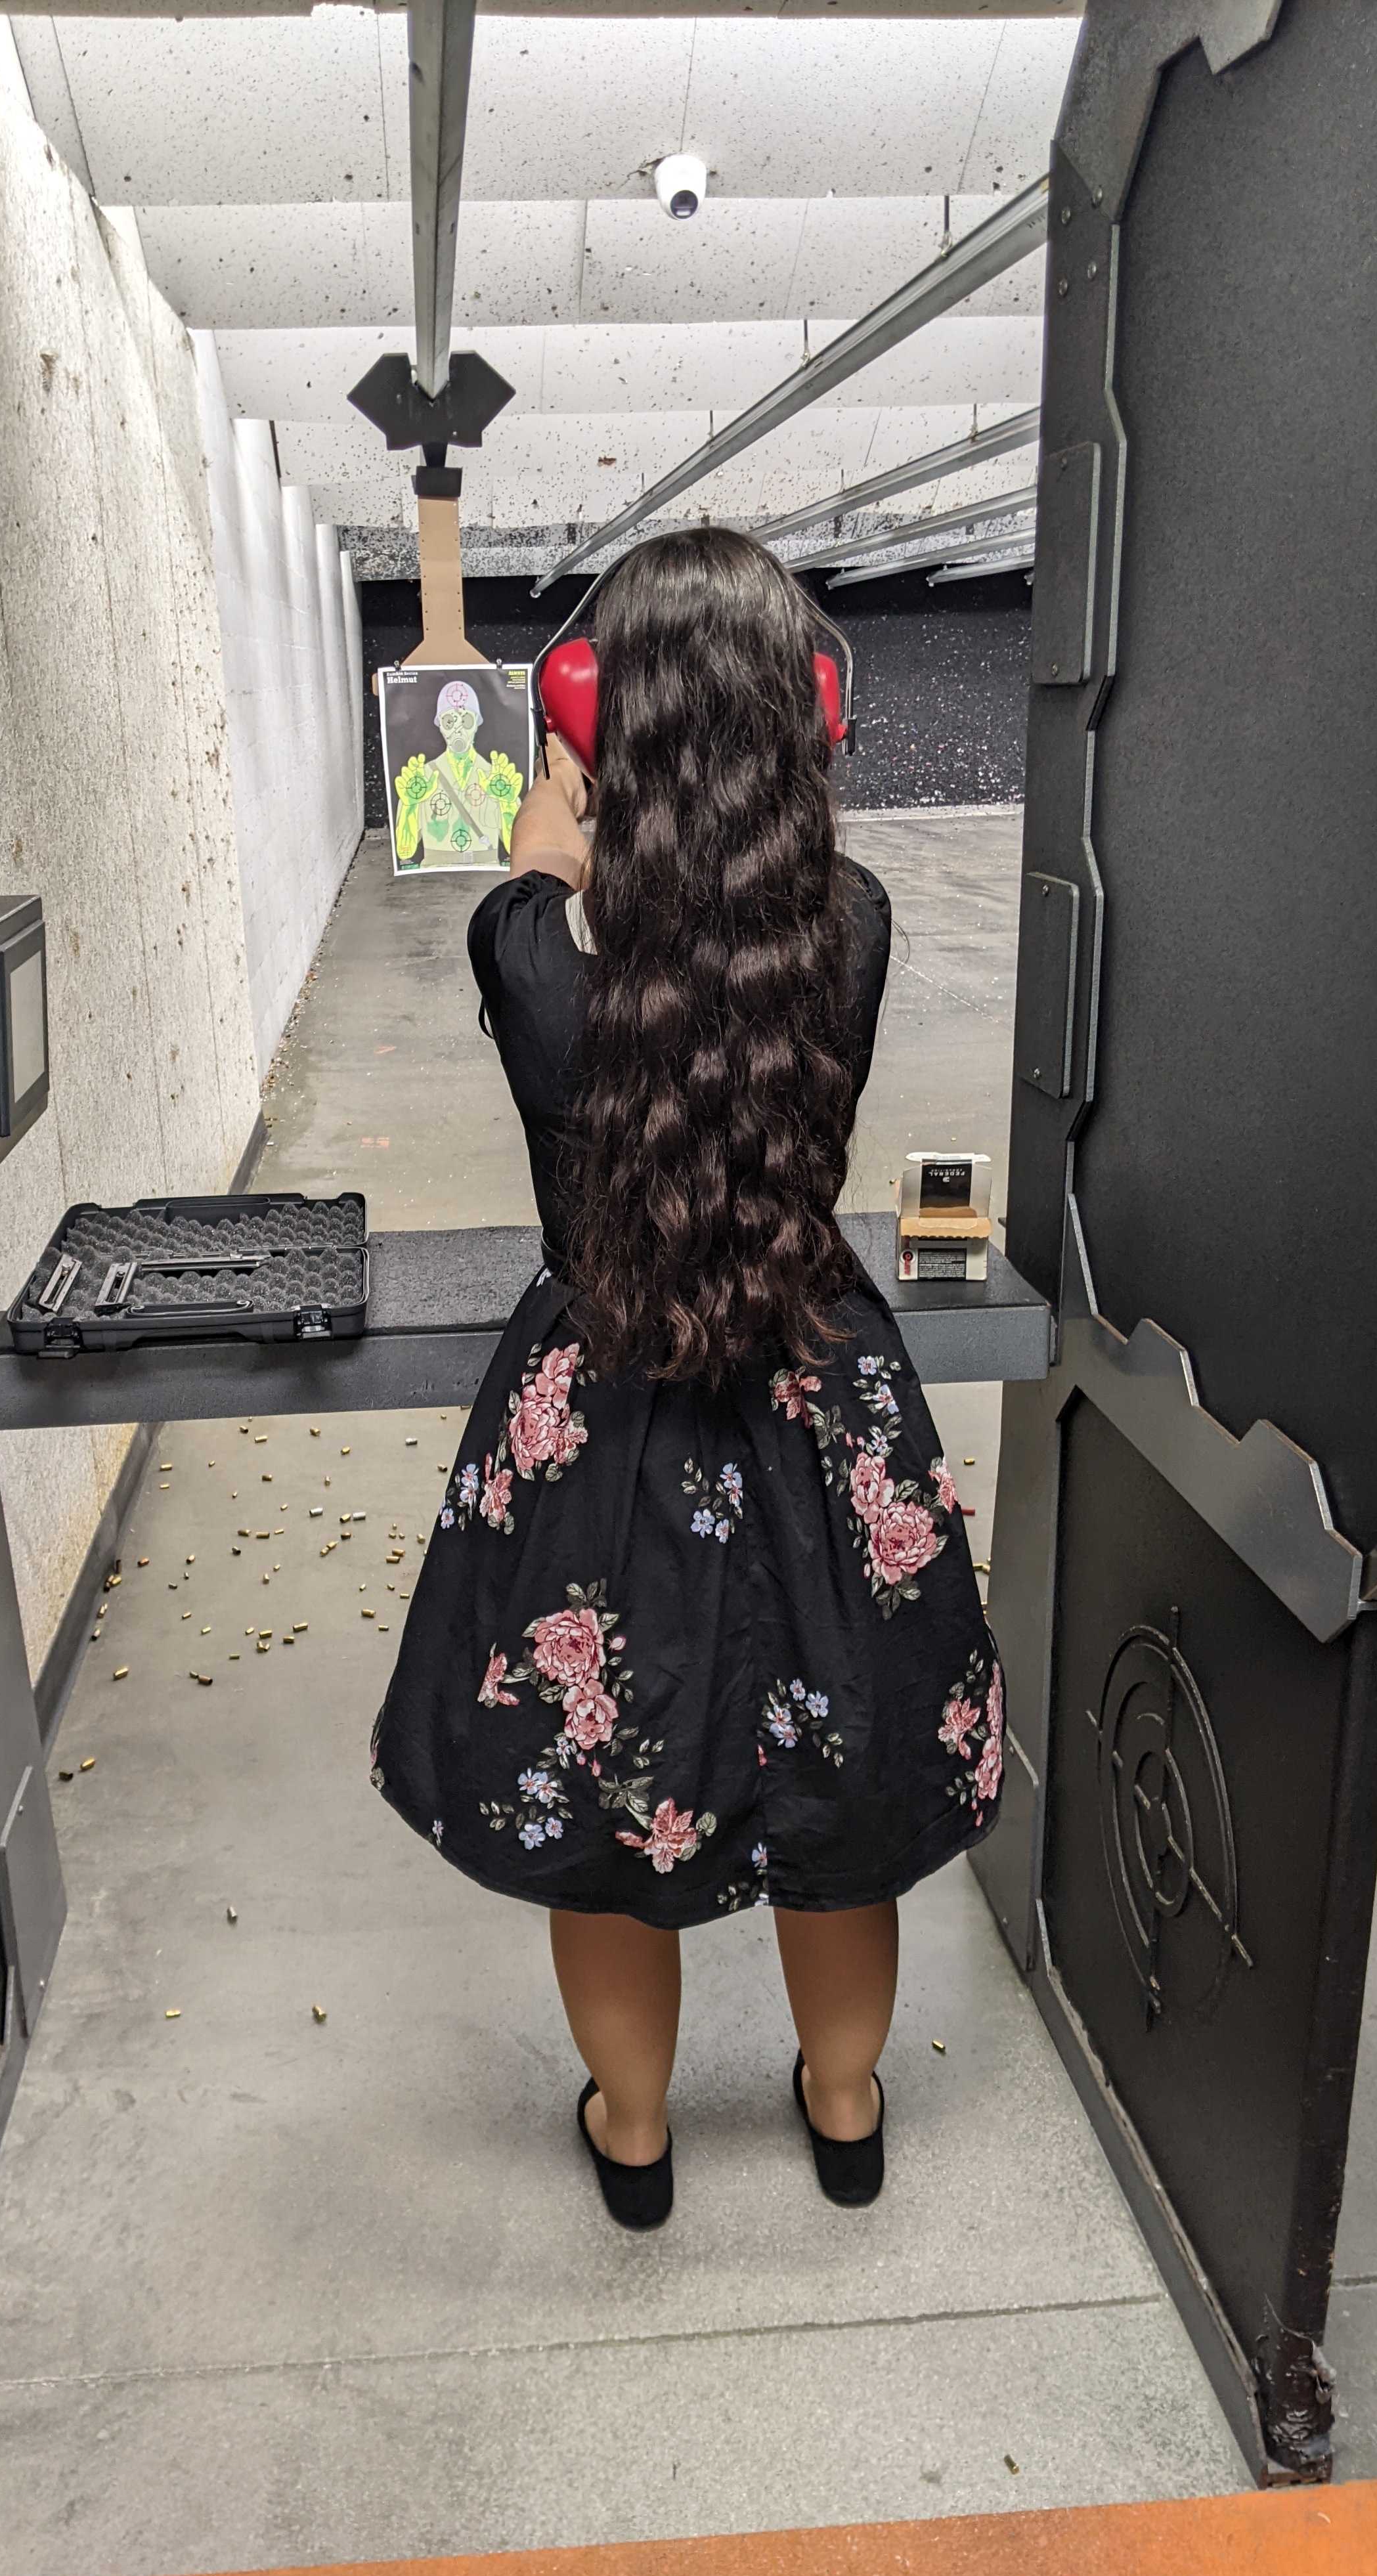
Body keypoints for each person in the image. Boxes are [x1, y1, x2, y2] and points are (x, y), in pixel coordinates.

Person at [372, 529, 1003, 2227]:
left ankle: (636, 2134)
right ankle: (846, 2103)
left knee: (607, 1800)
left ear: (603, 731)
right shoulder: (853, 930)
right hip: (818, 1404)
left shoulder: (526, 953)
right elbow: (775, 911)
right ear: (806, 729)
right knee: (839, 1795)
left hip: (607, 1426)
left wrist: (561, 800)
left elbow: (545, 880)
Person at [393, 678, 525, 867]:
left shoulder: (496, 778)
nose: (458, 729)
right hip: (434, 874)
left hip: (485, 870)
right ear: (440, 725)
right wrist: (410, 806)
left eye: (466, 720)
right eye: (449, 721)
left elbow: (517, 849)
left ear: (477, 723)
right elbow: (405, 850)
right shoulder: (421, 780)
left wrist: (508, 804)